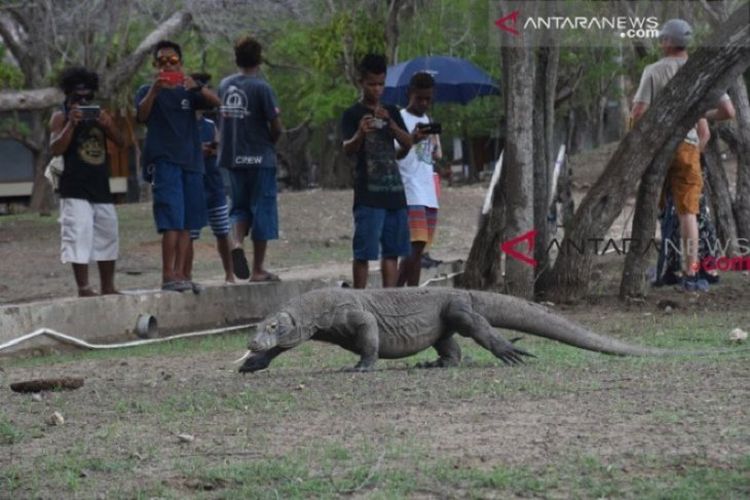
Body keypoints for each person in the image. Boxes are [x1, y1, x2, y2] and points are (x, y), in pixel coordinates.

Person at [631, 18, 735, 292]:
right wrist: (699, 115)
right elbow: (728, 112)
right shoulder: (704, 72)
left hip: (658, 148)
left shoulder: (653, 70)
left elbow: (638, 113)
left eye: (661, 38)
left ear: (667, 41)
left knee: (661, 209)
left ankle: (663, 270)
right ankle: (691, 272)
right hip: (688, 147)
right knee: (689, 213)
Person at [135, 40, 220, 292]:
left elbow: (216, 102)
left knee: (187, 223)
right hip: (165, 163)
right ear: (154, 64)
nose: (167, 65)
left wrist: (197, 87)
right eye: (162, 61)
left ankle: (183, 274)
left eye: (172, 61)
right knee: (171, 221)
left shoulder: (188, 90)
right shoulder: (146, 90)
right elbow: (141, 116)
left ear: (180, 63)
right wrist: (155, 90)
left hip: (192, 163)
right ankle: (167, 275)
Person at [49, 67, 124, 297]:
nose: (83, 101)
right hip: (74, 187)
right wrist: (71, 123)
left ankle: (108, 286)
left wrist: (108, 125)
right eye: (77, 97)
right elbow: (55, 148)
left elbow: (121, 142)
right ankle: (84, 287)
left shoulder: (100, 115)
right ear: (68, 95)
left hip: (100, 184)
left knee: (108, 233)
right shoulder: (60, 116)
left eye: (87, 96)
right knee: (78, 234)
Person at [341, 54, 413, 288]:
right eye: (372, 84)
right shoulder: (352, 114)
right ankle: (360, 301)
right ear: (361, 82)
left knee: (392, 253)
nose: (377, 89)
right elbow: (347, 149)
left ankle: (388, 300)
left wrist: (390, 124)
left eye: (381, 84)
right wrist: (360, 133)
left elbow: (408, 143)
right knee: (363, 252)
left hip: (394, 193)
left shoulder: (391, 110)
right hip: (368, 196)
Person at [217, 35, 283, 282]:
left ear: (237, 59)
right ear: (259, 59)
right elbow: (276, 126)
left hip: (232, 159)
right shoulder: (262, 87)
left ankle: (236, 243)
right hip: (259, 159)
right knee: (262, 210)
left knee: (238, 207)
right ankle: (257, 269)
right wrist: (270, 144)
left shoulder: (224, 85)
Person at [184, 73, 235, 285]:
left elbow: (220, 145)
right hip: (194, 187)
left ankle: (230, 274)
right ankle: (186, 276)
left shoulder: (210, 124)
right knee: (190, 236)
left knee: (223, 231)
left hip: (214, 185)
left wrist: (214, 149)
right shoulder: (184, 124)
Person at [395, 72, 442, 286]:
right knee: (416, 243)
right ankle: (398, 291)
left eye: (428, 99)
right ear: (409, 94)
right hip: (409, 187)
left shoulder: (427, 120)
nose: (424, 103)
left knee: (419, 249)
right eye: (419, 98)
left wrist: (434, 140)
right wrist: (411, 139)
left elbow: (435, 156)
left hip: (428, 190)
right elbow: (396, 153)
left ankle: (407, 293)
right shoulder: (400, 118)